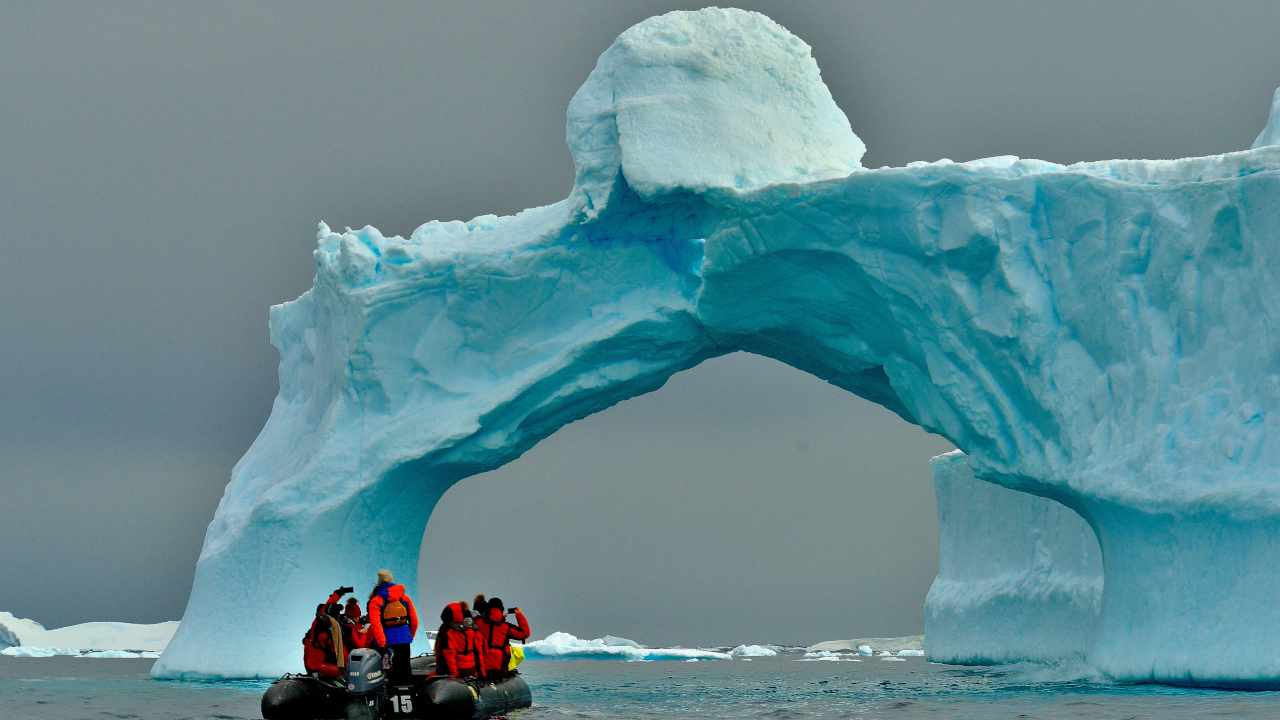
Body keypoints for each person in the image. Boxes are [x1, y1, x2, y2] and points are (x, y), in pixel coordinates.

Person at [367, 569, 418, 683]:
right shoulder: (404, 598)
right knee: (404, 669)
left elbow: (376, 624)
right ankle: (406, 695)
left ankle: (389, 697)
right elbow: (414, 620)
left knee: (387, 672)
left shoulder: (376, 600)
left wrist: (381, 642)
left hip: (386, 641)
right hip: (404, 639)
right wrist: (409, 635)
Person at [475, 597, 530, 681]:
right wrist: (519, 614)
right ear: (501, 610)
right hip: (499, 671)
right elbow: (524, 633)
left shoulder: (477, 622)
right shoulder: (506, 627)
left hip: (479, 671)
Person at [432, 601, 486, 680]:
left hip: (455, 673)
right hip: (471, 670)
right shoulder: (474, 629)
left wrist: (454, 674)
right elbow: (479, 652)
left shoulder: (447, 631)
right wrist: (482, 673)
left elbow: (449, 654)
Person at [302, 602, 346, 681]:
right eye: (338, 614)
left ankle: (317, 674)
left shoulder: (313, 630)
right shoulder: (326, 633)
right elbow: (337, 652)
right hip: (318, 666)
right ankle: (320, 675)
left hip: (310, 666)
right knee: (341, 672)